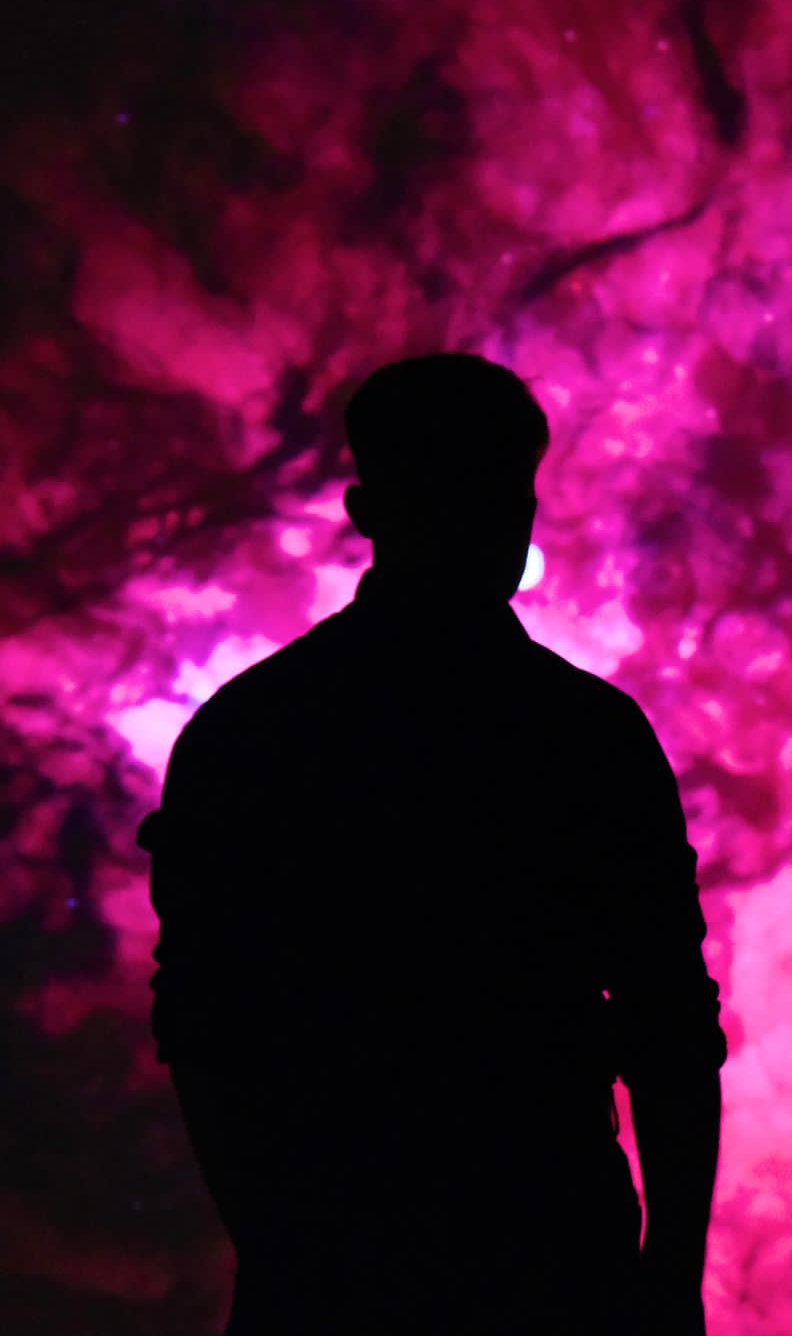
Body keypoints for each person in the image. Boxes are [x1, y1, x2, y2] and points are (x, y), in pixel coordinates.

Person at [139, 353, 726, 1335]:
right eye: (479, 486)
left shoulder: (253, 732)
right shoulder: (585, 736)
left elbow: (206, 1030)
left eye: (502, 487)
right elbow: (668, 1029)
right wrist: (668, 1277)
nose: (495, 516)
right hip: (550, 1258)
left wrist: (283, 1246)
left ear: (368, 508)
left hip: (339, 1262)